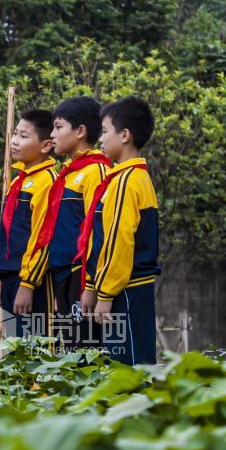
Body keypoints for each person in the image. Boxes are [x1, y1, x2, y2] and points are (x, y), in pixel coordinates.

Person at [79, 97, 160, 365]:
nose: (100, 139)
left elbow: (118, 243)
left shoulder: (127, 181)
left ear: (125, 135)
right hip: (124, 289)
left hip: (126, 291)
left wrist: (104, 294)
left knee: (129, 368)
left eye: (104, 131)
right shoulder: (127, 178)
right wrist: (92, 284)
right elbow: (102, 240)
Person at [42, 98, 111, 348]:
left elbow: (98, 230)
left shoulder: (96, 171)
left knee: (84, 351)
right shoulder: (68, 172)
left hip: (80, 276)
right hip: (61, 275)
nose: (52, 134)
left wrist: (90, 283)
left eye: (58, 127)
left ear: (80, 131)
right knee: (68, 349)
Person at [0, 109, 57, 339]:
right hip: (8, 280)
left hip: (31, 283)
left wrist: (28, 283)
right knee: (14, 353)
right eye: (15, 133)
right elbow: (5, 233)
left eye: (24, 136)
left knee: (37, 351)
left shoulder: (48, 182)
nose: (14, 141)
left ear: (46, 145)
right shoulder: (17, 181)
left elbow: (44, 238)